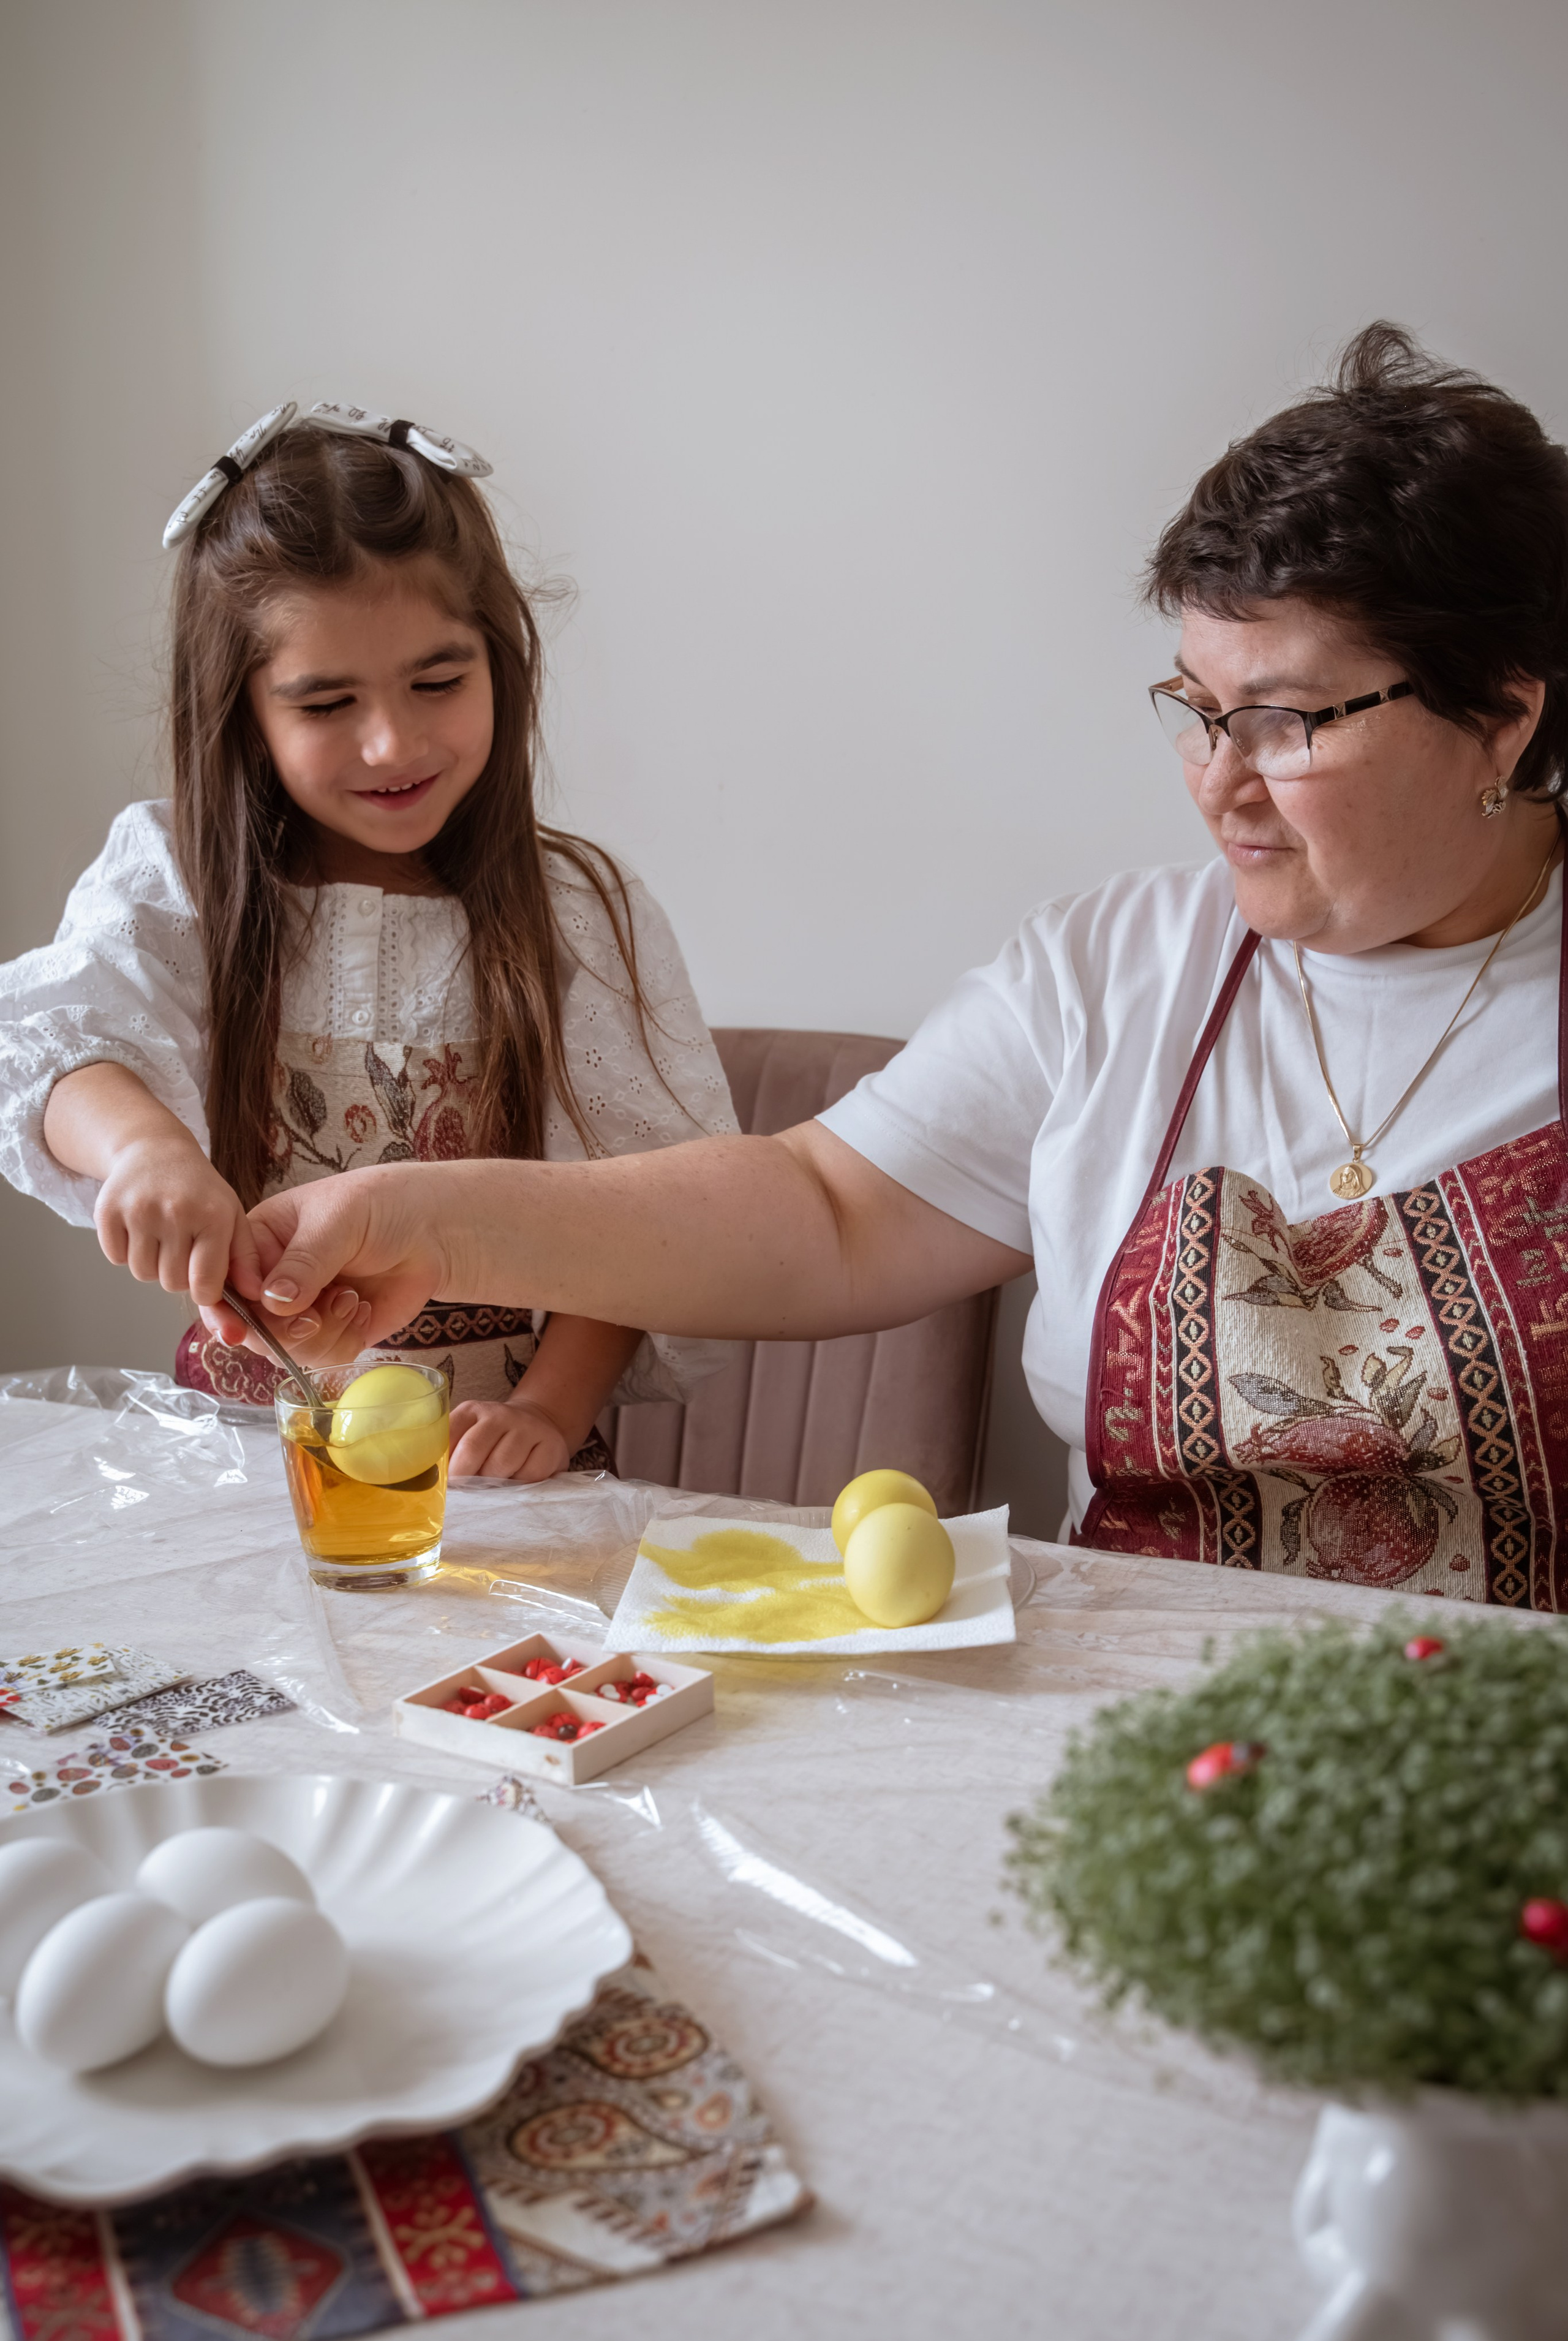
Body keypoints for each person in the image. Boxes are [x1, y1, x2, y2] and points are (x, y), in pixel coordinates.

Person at [224, 328, 1568, 1606]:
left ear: (1503, 716)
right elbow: (822, 1206)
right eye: (1199, 710)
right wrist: (422, 1218)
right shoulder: (1112, 969)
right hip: (1153, 1730)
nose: (1218, 781)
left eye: (1282, 721)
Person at [0, 401, 737, 1479]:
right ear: (244, 709)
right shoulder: (179, 881)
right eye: (326, 703)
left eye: (438, 682)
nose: (392, 742)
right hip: (244, 1471)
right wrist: (144, 1147)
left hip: (495, 1479)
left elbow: (644, 1216)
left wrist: (546, 1409)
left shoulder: (575, 911)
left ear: (499, 660)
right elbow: (53, 1043)